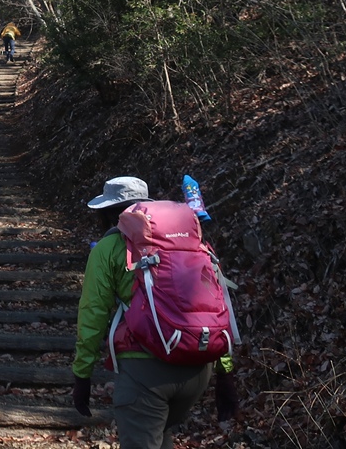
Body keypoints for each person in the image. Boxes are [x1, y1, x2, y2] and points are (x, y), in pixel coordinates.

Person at [71, 176, 237, 448]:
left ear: (108, 212)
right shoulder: (192, 243)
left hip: (145, 370)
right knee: (161, 437)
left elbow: (93, 313)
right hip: (198, 367)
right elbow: (216, 306)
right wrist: (225, 373)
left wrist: (82, 374)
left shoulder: (107, 248)